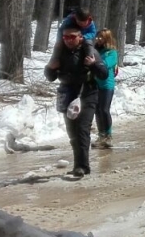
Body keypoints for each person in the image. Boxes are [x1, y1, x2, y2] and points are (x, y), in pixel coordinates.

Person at [45, 23, 107, 180]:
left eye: (72, 37)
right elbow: (50, 77)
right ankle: (79, 164)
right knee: (72, 132)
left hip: (87, 93)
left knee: (82, 129)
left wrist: (93, 65)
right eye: (65, 37)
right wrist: (50, 68)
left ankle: (81, 166)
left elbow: (104, 74)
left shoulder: (89, 51)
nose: (68, 40)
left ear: (80, 37)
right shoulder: (60, 53)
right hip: (67, 95)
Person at [92, 29, 119, 149]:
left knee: (104, 109)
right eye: (97, 37)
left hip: (107, 85)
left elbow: (106, 64)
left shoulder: (111, 52)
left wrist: (95, 62)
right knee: (97, 110)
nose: (98, 39)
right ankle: (101, 135)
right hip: (95, 84)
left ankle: (109, 136)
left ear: (107, 38)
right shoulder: (95, 50)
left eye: (101, 37)